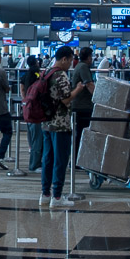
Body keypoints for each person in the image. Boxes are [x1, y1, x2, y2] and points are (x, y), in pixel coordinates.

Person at [39, 46, 86, 206]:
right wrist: (78, 89)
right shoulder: (60, 75)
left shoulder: (46, 72)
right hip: (60, 124)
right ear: (64, 59)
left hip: (46, 122)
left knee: (48, 159)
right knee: (60, 160)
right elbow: (66, 100)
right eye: (70, 60)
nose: (71, 64)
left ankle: (45, 194)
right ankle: (57, 197)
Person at [69, 46, 97, 158]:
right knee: (82, 133)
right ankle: (78, 159)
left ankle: (77, 159)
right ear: (89, 57)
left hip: (79, 105)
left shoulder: (79, 66)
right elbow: (89, 84)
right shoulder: (84, 67)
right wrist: (99, 98)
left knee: (80, 133)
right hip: (83, 106)